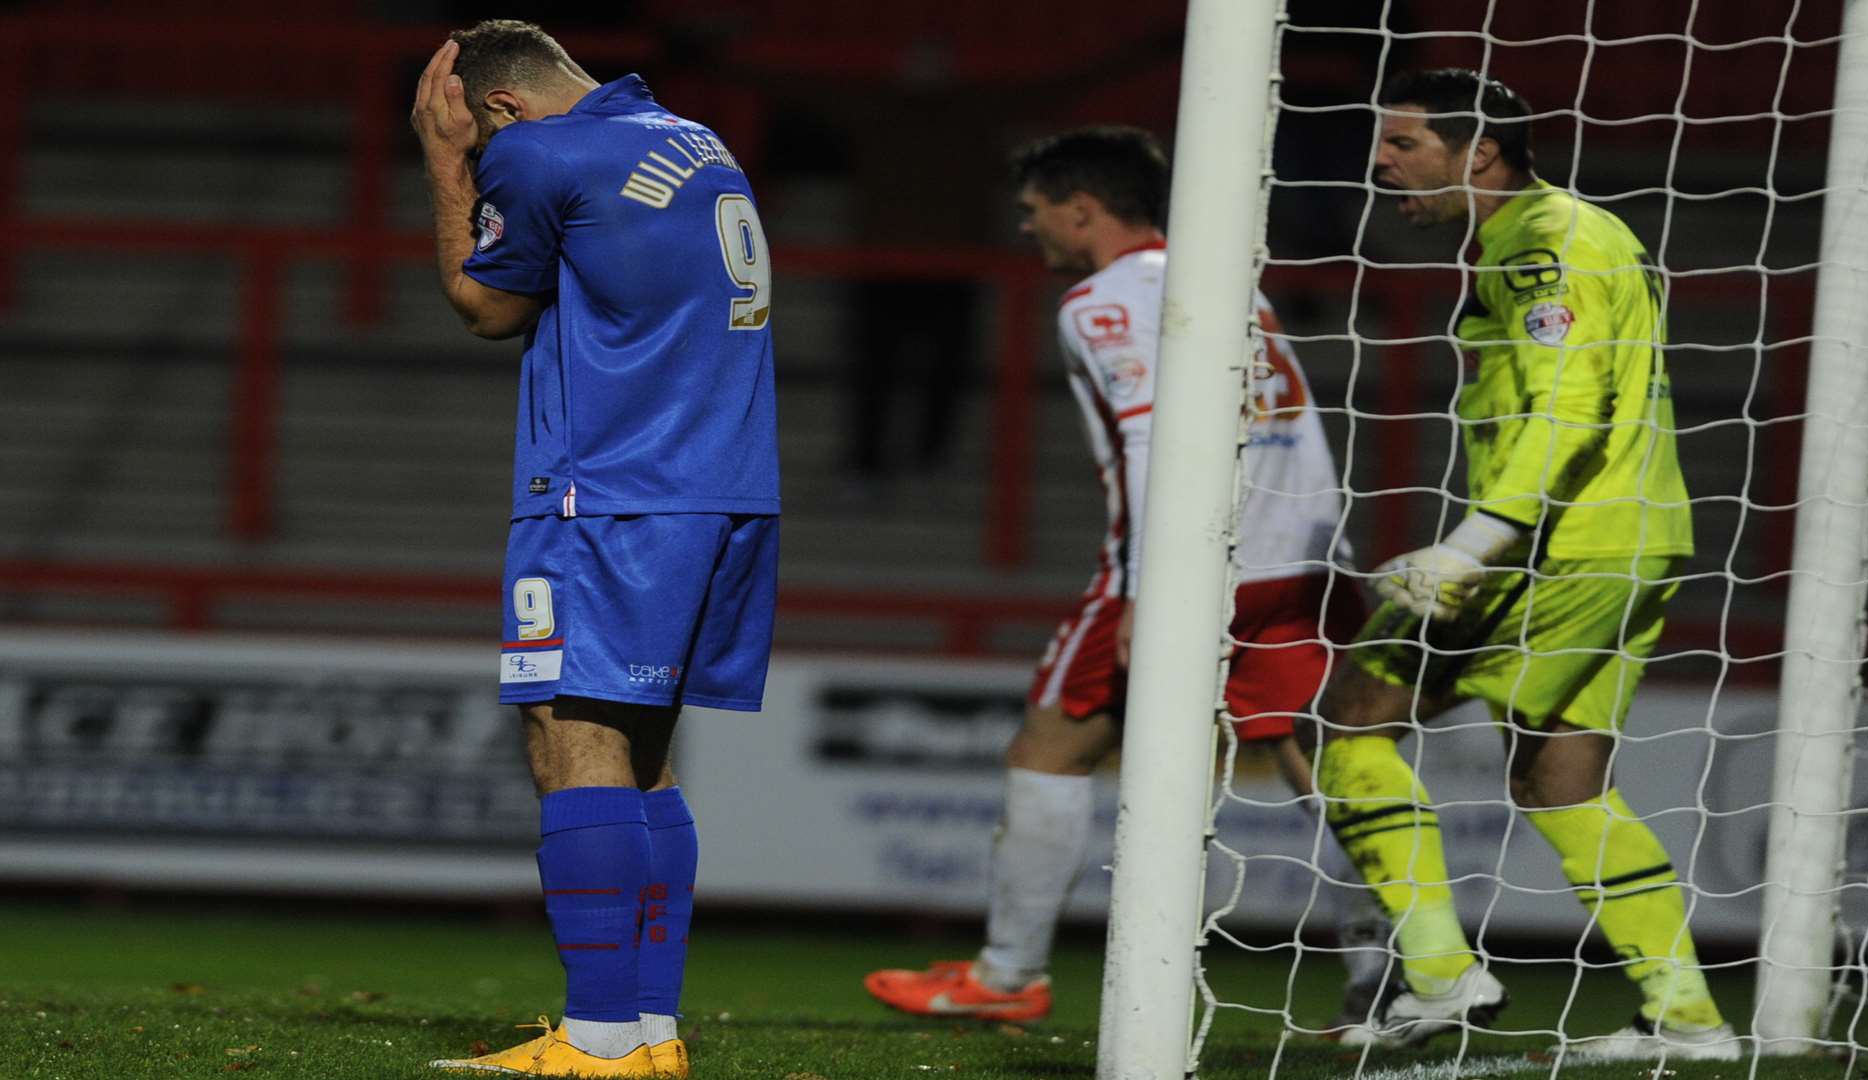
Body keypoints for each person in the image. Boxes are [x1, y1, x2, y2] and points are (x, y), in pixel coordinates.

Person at [863, 126, 1389, 1030]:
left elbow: (1155, 436)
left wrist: (1152, 590)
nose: (1029, 232)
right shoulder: (1232, 283)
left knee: (1048, 745)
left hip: (1192, 563)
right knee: (1323, 768)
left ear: (1083, 209)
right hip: (1302, 557)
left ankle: (1008, 973)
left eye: (1034, 215)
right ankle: (1391, 978)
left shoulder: (1102, 301)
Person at [1324, 68, 1734, 1061]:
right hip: (1638, 540)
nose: (1382, 163)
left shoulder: (1546, 244)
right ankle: (1685, 1018)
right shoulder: (1556, 232)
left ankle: (1436, 973)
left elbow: (1566, 406)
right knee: (1562, 780)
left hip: (1560, 544)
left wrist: (1474, 543)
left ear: (1482, 152)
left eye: (1406, 144)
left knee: (1353, 726)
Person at [409, 19, 779, 1079]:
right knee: (640, 754)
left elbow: (486, 305)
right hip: (726, 483)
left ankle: (600, 1038)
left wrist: (445, 163)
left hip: (609, 491)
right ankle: (649, 1032)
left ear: (499, 109)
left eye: (475, 127)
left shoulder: (532, 150)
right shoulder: (699, 139)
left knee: (567, 732)